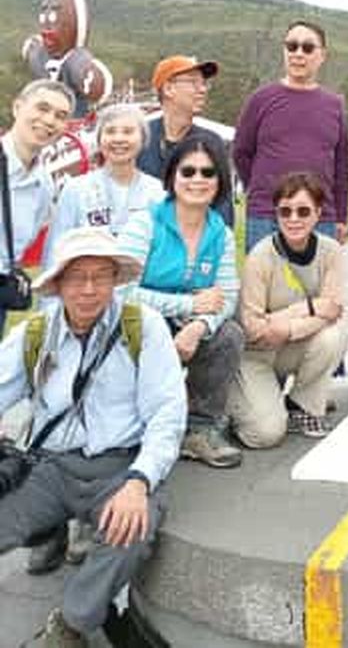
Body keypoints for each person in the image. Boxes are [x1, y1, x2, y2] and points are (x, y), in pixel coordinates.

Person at [0, 227, 186, 648]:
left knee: (130, 531)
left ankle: (70, 623)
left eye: (100, 275)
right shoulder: (34, 334)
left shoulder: (145, 327)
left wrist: (140, 482)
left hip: (122, 468)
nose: (88, 289)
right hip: (52, 467)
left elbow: (167, 416)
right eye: (76, 276)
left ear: (115, 279)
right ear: (59, 283)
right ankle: (47, 532)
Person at [117, 134, 243, 468]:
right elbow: (120, 292)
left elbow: (227, 297)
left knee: (229, 334)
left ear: (220, 181)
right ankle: (130, 425)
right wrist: (189, 306)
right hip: (139, 324)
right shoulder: (145, 223)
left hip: (186, 326)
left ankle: (199, 429)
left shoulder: (222, 234)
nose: (197, 180)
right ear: (173, 176)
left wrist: (200, 326)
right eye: (188, 171)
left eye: (208, 172)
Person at [230, 172, 346, 445]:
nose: (294, 219)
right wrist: (310, 307)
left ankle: (301, 405)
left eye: (303, 211)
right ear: (276, 214)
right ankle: (233, 405)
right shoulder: (259, 256)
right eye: (285, 211)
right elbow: (254, 329)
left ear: (318, 213)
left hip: (290, 346)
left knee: (334, 336)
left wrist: (284, 326)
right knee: (264, 435)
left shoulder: (331, 251)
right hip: (256, 354)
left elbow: (333, 310)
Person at [233, 20, 348, 251]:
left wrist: (341, 217)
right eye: (291, 46)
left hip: (320, 217)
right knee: (263, 286)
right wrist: (259, 190)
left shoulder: (334, 105)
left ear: (322, 55)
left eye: (307, 47)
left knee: (317, 288)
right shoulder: (261, 99)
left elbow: (341, 167)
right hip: (267, 215)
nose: (298, 53)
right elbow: (241, 152)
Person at [1, 80, 74, 342]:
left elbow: (25, 241)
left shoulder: (43, 184)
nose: (49, 120)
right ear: (17, 107)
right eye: (42, 108)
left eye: (60, 116)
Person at [45, 104, 163, 260]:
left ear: (143, 139)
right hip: (88, 281)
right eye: (110, 131)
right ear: (99, 140)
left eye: (128, 132)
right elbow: (55, 250)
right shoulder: (76, 189)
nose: (119, 139)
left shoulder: (156, 191)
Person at [137, 55, 233, 226]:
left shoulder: (211, 142)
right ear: (168, 89)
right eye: (193, 83)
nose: (202, 89)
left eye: (204, 83)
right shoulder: (139, 138)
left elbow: (222, 207)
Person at [22, 0, 113, 117]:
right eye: (44, 17)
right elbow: (32, 50)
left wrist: (90, 77)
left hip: (72, 121)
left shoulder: (74, 62)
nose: (47, 28)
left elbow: (95, 85)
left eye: (54, 18)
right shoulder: (41, 56)